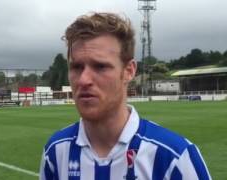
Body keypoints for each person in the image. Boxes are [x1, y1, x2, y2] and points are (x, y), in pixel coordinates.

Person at [39, 12, 211, 180]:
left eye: (100, 66)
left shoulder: (175, 159)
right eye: (76, 67)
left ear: (129, 71)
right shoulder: (56, 151)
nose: (84, 80)